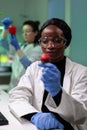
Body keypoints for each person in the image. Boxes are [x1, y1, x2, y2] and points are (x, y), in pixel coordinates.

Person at [8, 18, 87, 130]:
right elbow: (17, 96)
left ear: (66, 43)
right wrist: (34, 116)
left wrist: (57, 92)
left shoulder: (81, 72)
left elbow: (81, 114)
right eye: (45, 41)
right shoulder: (34, 68)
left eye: (57, 40)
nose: (50, 46)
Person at [0, 17, 42, 90]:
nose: (25, 34)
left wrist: (17, 48)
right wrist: (5, 27)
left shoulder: (38, 49)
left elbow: (28, 65)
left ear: (35, 33)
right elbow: (3, 42)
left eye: (28, 31)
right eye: (23, 31)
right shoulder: (21, 46)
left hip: (26, 87)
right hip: (13, 85)